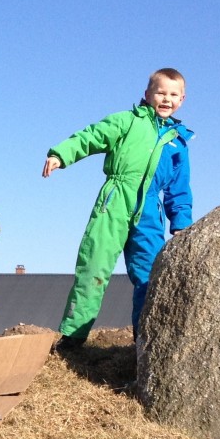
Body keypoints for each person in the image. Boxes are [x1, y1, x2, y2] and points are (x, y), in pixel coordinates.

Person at [42, 68, 193, 344]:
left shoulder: (178, 142)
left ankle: (142, 344)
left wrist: (180, 223)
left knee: (149, 277)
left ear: (182, 99)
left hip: (150, 211)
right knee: (94, 266)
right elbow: (92, 136)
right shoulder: (127, 121)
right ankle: (72, 340)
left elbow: (179, 189)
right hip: (114, 200)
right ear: (147, 95)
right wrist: (61, 155)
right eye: (160, 92)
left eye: (173, 95)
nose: (166, 99)